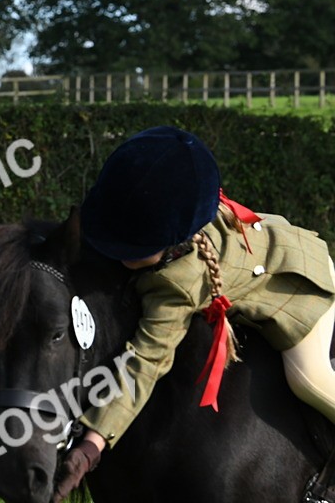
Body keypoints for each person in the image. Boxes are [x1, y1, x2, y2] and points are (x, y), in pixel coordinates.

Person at [55, 125, 335, 502]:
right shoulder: (164, 212)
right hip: (260, 248)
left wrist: (92, 443)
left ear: (172, 247)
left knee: (310, 379)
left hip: (296, 286)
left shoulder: (179, 284)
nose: (119, 254)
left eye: (134, 247)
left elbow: (146, 364)